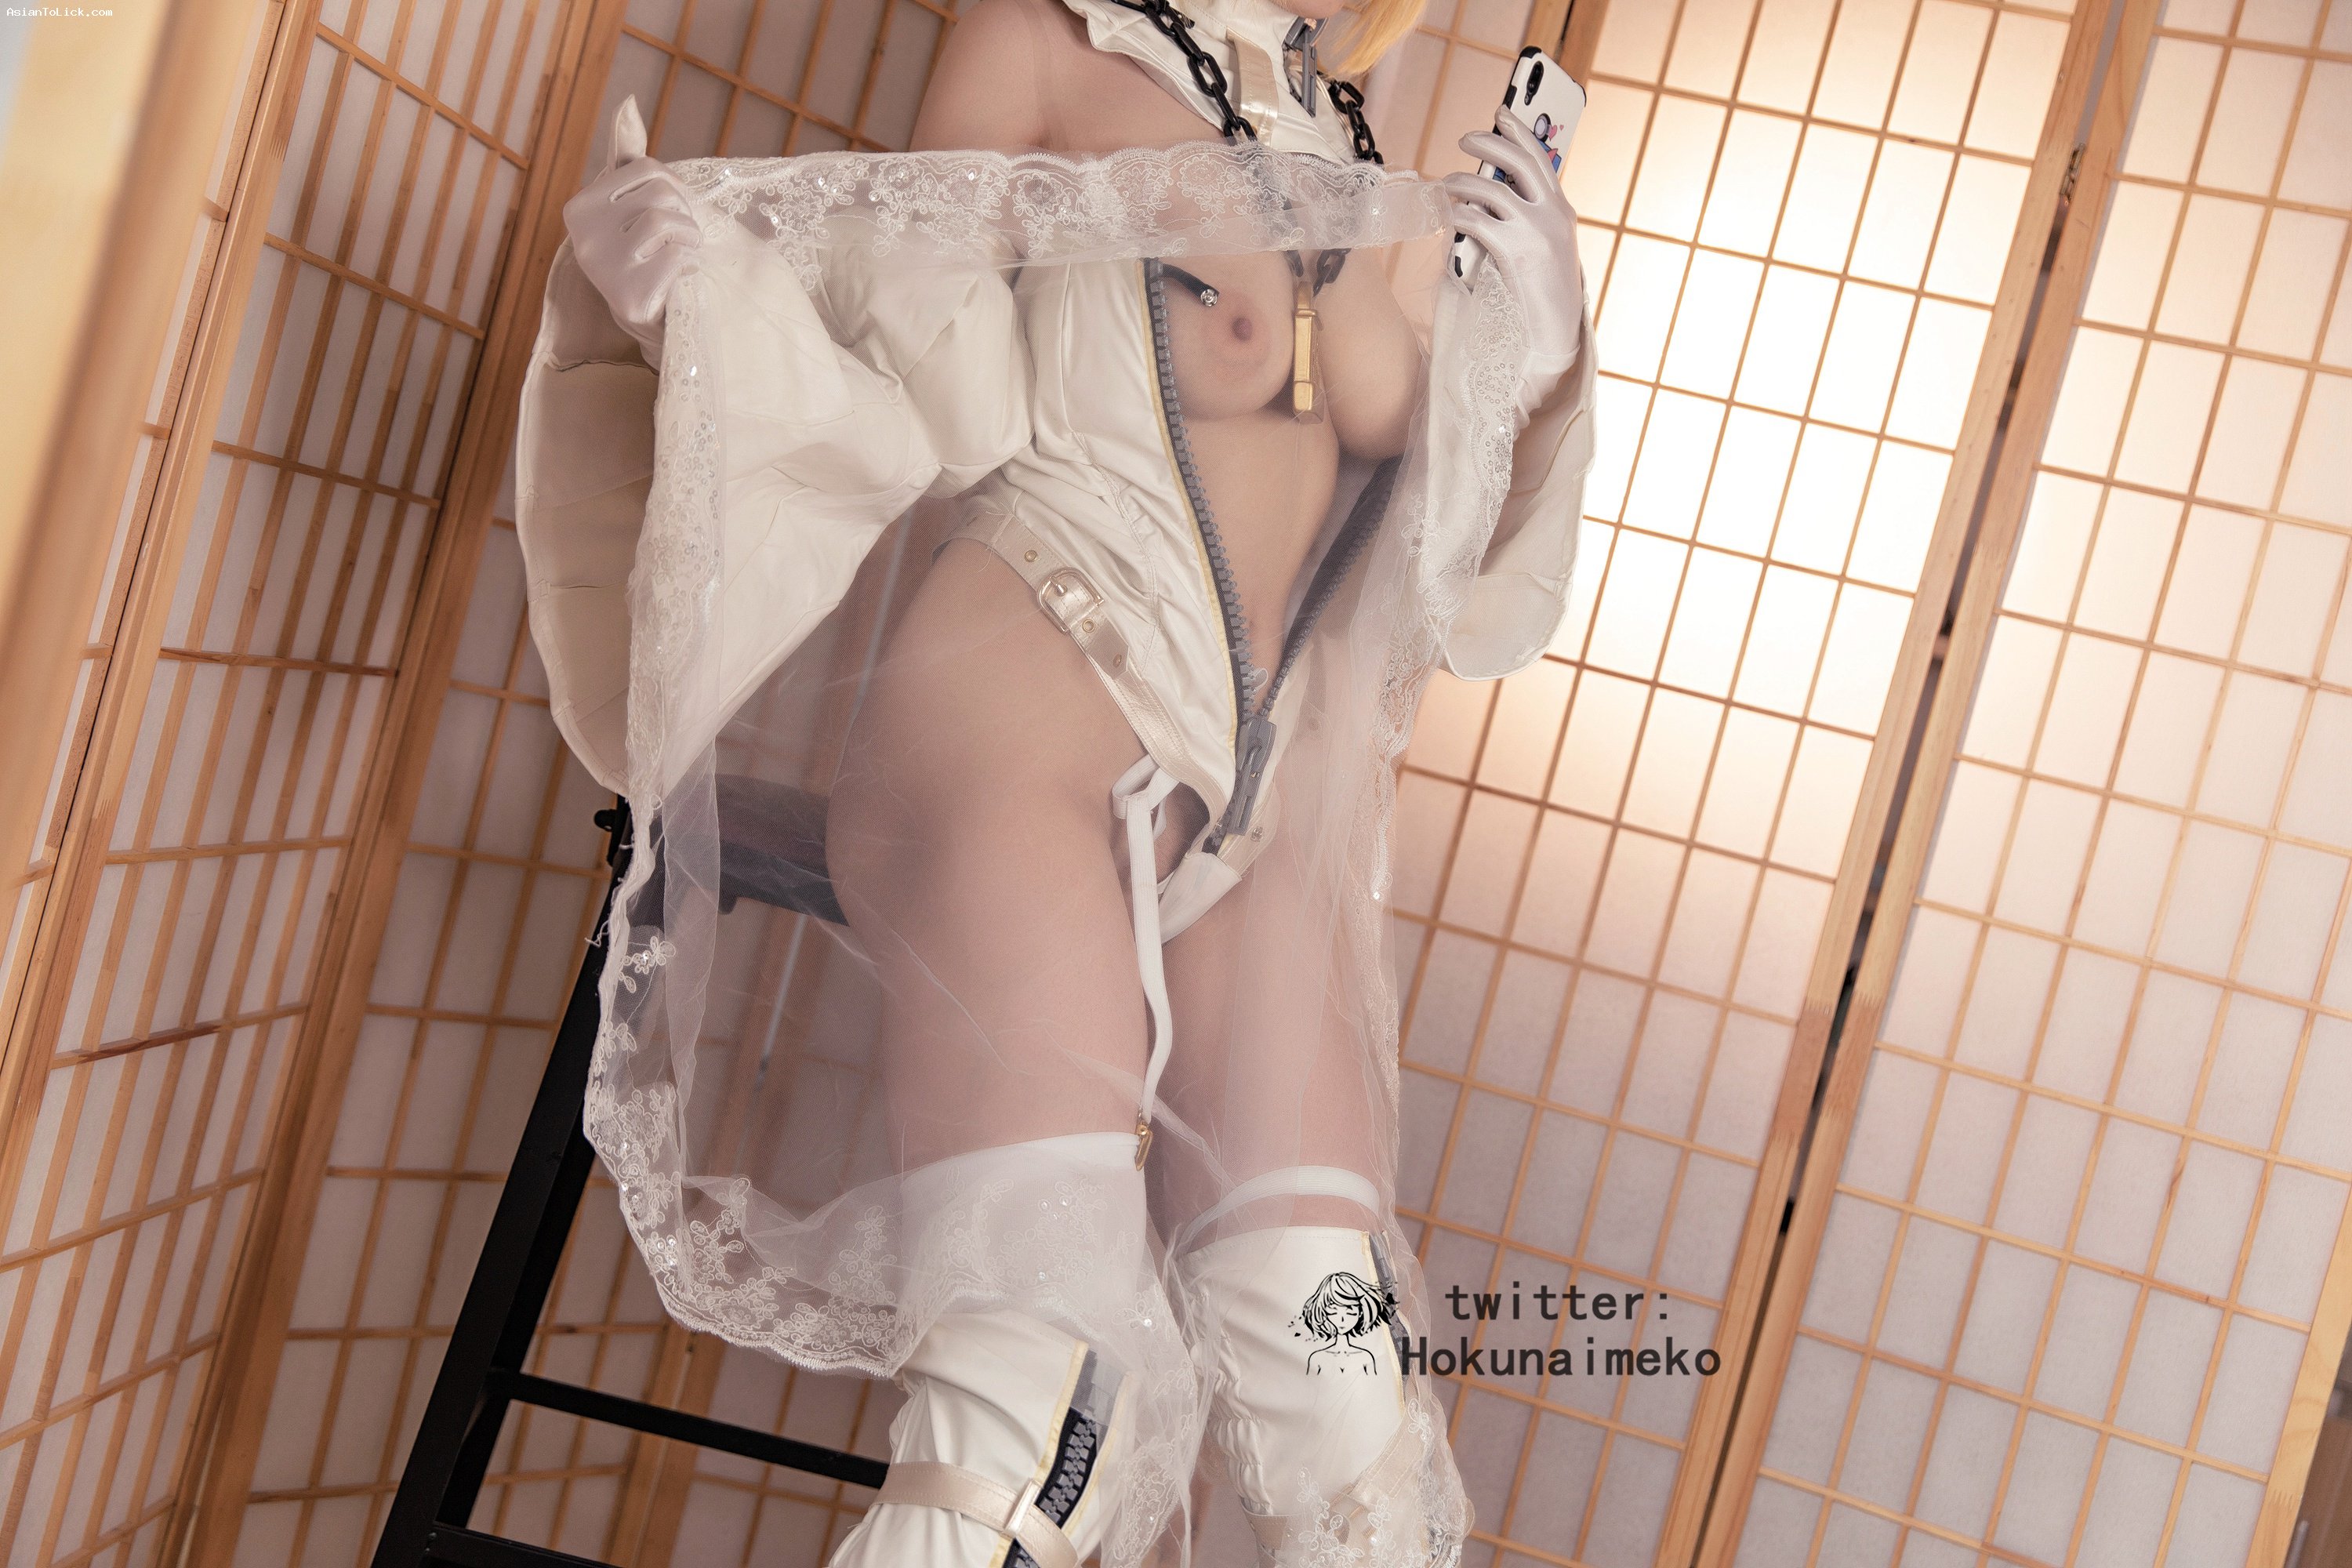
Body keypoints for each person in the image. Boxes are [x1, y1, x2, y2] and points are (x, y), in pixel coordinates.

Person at [518, 0, 1595, 1559]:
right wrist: (711, 306)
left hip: (1249, 809)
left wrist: (1536, 357)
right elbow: (919, 375)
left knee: (1346, 1405)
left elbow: (1438, 579)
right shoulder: (1040, 42)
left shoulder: (1346, 143)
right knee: (1034, 1408)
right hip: (1018, 713)